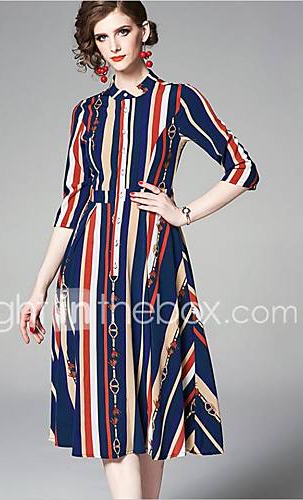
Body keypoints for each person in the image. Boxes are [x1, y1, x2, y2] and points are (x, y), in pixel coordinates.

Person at [19, 2, 260, 498]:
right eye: (102, 37)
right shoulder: (86, 114)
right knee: (107, 409)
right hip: (85, 269)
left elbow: (242, 168)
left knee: (150, 400)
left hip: (152, 266)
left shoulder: (178, 100)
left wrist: (183, 212)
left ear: (144, 31)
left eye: (123, 31)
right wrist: (39, 287)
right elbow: (72, 202)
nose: (114, 45)